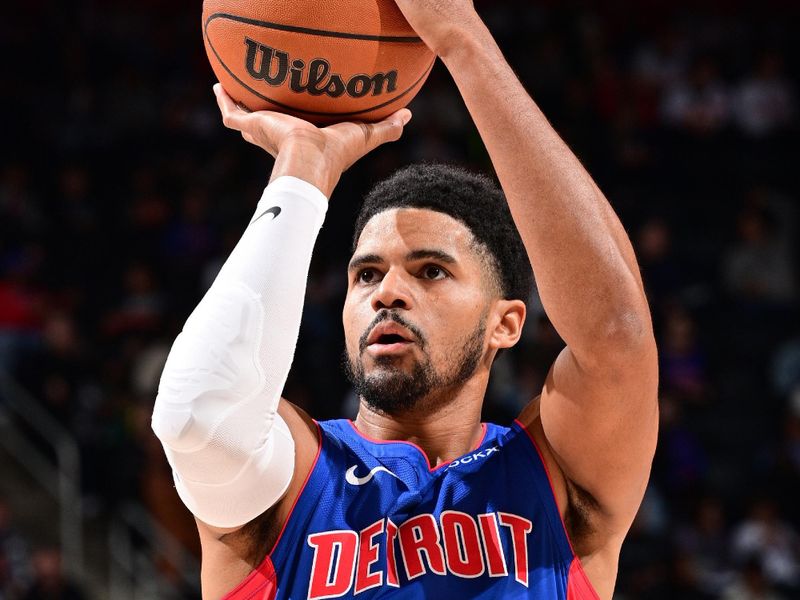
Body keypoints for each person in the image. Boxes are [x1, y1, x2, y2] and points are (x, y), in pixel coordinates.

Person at [151, 2, 658, 598]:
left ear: (507, 323)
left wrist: (460, 38)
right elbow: (196, 415)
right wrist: (303, 169)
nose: (387, 292)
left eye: (432, 271)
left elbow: (617, 334)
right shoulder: (291, 479)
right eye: (365, 275)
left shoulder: (557, 480)